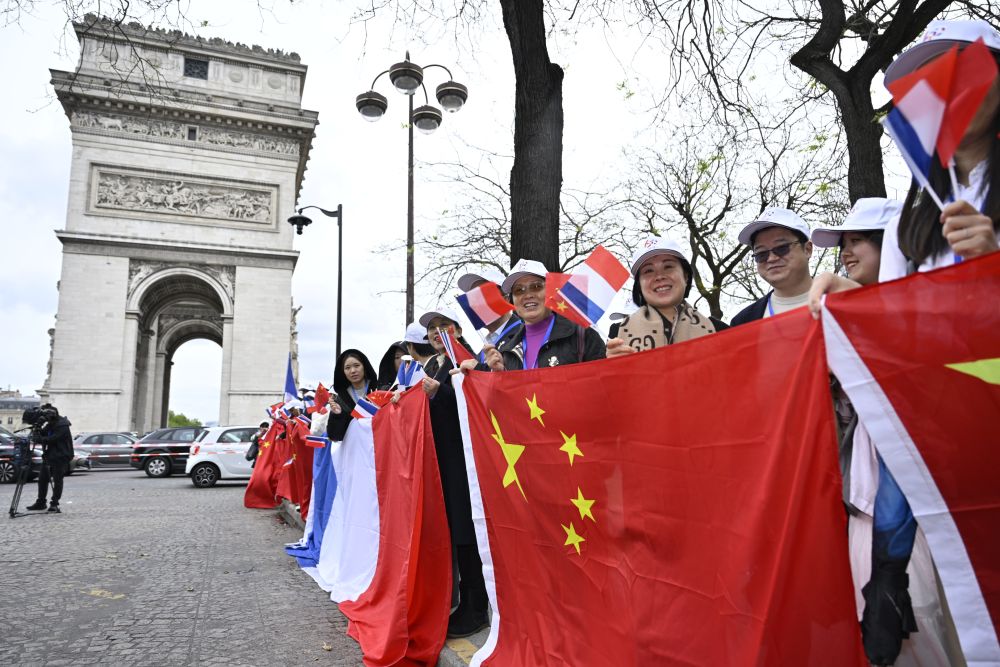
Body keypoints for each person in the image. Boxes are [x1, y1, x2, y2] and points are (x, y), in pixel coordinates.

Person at [880, 20, 1000, 281]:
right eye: (930, 82)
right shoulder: (901, 231)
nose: (947, 90)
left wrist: (993, 267)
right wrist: (850, 298)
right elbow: (895, 310)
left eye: (963, 69)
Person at [417, 307, 487, 638]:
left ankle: (477, 607)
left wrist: (440, 392)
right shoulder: (433, 364)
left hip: (465, 460)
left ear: (457, 330)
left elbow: (475, 403)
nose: (436, 332)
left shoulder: (468, 360)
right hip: (441, 460)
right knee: (455, 532)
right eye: (432, 328)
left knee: (467, 532)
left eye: (443, 325)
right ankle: (462, 599)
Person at [606, 235, 726, 358]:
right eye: (648, 271)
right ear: (639, 285)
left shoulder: (721, 331)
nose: (659, 276)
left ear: (686, 276)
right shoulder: (617, 336)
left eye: (668, 267)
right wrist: (610, 365)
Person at [481, 259, 606, 371]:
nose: (528, 295)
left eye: (536, 286)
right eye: (519, 290)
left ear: (550, 290)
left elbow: (604, 381)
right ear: (512, 300)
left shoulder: (581, 334)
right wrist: (500, 374)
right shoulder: (506, 351)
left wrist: (613, 361)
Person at [729, 208, 814, 326]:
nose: (771, 258)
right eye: (761, 254)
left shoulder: (838, 299)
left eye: (782, 248)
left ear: (807, 249)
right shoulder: (742, 322)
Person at [457, 267, 520, 355]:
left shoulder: (525, 334)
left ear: (506, 299)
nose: (477, 303)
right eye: (473, 296)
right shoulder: (482, 352)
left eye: (484, 294)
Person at [26, 404, 74, 513]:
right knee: (42, 479)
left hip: (61, 456)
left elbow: (52, 439)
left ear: (52, 414)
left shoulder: (63, 425)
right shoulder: (51, 423)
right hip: (50, 455)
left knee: (57, 480)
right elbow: (43, 433)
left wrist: (40, 439)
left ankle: (54, 503)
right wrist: (38, 427)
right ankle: (41, 502)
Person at [326, 349, 378, 442]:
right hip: (353, 448)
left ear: (364, 366)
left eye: (357, 365)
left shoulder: (378, 390)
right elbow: (334, 437)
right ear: (343, 371)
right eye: (347, 368)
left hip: (377, 445)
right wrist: (337, 415)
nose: (353, 371)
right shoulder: (340, 398)